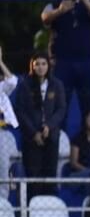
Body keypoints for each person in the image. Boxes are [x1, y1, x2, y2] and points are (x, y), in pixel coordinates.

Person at [41, 0, 90, 122]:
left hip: (85, 61)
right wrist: (60, 10)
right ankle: (59, 139)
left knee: (88, 104)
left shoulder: (86, 5)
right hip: (63, 62)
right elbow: (44, 18)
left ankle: (88, 140)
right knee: (60, 104)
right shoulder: (54, 4)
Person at [14, 52, 67, 200]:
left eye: (44, 64)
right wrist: (33, 133)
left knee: (50, 177)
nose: (40, 67)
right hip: (31, 140)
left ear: (48, 65)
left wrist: (49, 126)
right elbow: (20, 110)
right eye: (37, 64)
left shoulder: (57, 84)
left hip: (51, 137)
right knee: (34, 179)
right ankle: (32, 215)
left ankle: (49, 214)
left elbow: (61, 109)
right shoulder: (25, 85)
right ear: (32, 66)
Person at [0, 47, 19, 201]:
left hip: (2, 135)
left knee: (3, 169)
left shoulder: (1, 89)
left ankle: (2, 206)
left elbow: (12, 81)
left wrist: (0, 62)